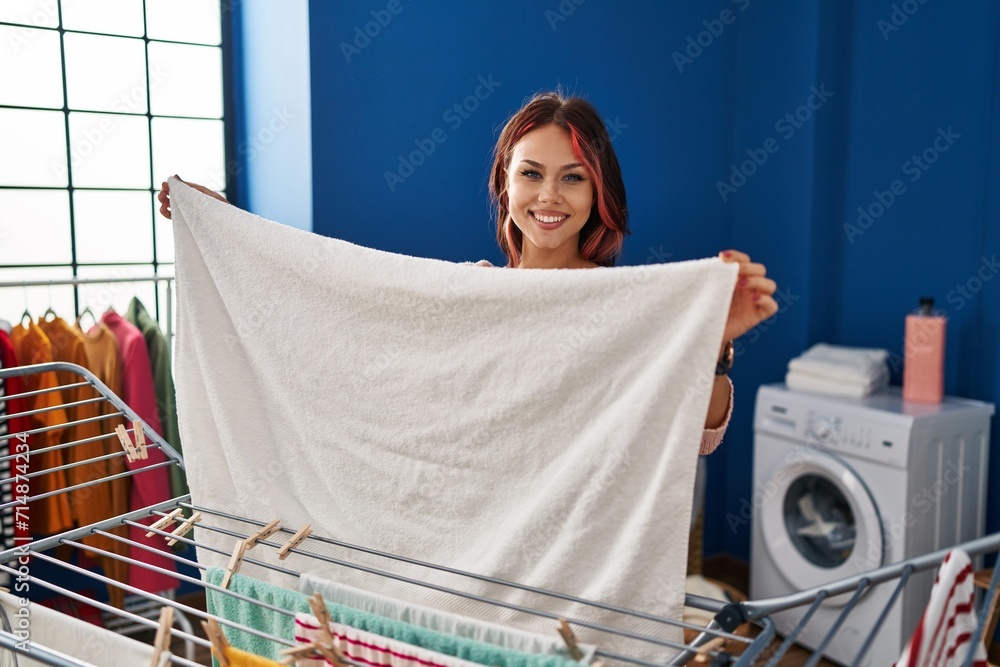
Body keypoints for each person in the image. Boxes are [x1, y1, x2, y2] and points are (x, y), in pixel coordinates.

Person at [157, 91, 778, 454]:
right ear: (505, 184)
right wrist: (228, 234)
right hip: (476, 541)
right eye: (531, 173)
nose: (549, 198)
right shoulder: (469, 290)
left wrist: (713, 347)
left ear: (598, 192)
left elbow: (696, 437)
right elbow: (341, 321)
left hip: (577, 554)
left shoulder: (619, 301)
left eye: (573, 177)